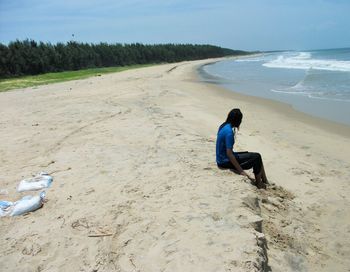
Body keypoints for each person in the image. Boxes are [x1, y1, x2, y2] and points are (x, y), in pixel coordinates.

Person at [216, 108, 268, 189]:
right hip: (224, 161)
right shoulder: (229, 132)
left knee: (255, 155)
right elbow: (229, 154)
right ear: (238, 120)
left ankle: (265, 180)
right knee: (257, 157)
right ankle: (259, 183)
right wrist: (241, 171)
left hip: (220, 158)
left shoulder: (223, 126)